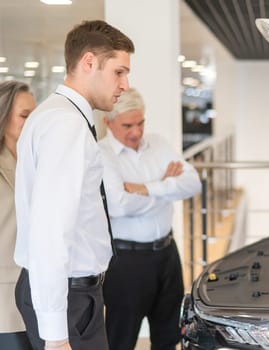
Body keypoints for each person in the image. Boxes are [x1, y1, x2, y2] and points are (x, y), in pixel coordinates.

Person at [14, 20, 134, 350]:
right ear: (89, 62)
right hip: (68, 297)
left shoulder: (57, 115)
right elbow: (50, 230)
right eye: (119, 72)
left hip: (73, 294)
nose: (124, 84)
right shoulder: (65, 124)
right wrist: (55, 335)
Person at [98, 88, 201, 350]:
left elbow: (192, 183)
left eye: (140, 122)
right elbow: (119, 205)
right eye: (127, 125)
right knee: (121, 338)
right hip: (127, 262)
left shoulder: (159, 143)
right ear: (107, 123)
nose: (136, 131)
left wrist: (146, 188)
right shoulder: (102, 153)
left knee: (169, 335)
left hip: (167, 254)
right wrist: (167, 185)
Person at [0, 81, 36, 350]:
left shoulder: (34, 159)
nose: (31, 121)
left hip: (38, 288)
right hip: (5, 291)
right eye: (24, 115)